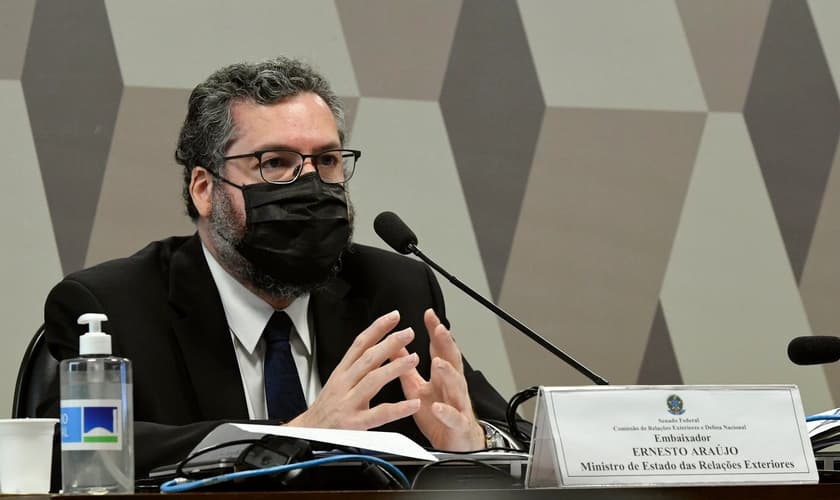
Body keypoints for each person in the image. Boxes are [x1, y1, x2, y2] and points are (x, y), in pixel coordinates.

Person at [39, 57, 518, 483]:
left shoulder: (392, 290)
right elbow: (64, 454)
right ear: (204, 189)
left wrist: (475, 443)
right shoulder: (113, 305)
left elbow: (516, 434)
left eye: (327, 161)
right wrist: (295, 436)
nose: (310, 185)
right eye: (275, 163)